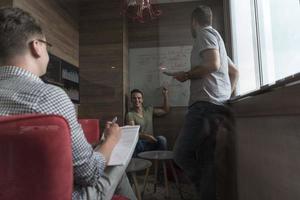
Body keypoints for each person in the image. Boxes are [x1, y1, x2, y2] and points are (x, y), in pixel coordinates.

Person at [0, 7, 136, 200]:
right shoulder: (49, 96)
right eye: (48, 45)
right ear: (36, 46)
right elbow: (89, 173)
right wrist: (111, 139)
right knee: (117, 161)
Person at [171, 5, 239, 200]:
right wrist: (226, 96)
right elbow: (234, 72)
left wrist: (186, 75)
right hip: (217, 106)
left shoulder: (204, 34)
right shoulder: (217, 39)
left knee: (181, 154)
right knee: (208, 160)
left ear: (194, 21)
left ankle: (203, 188)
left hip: (205, 105)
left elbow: (213, 64)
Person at [126, 88, 170, 156]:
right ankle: (140, 164)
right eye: (134, 98)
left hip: (152, 142)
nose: (137, 100)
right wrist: (147, 136)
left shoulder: (148, 110)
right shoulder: (130, 114)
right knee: (136, 144)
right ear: (131, 100)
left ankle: (160, 163)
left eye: (139, 98)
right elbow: (133, 133)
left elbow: (165, 110)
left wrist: (165, 95)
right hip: (141, 143)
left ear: (142, 100)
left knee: (162, 139)